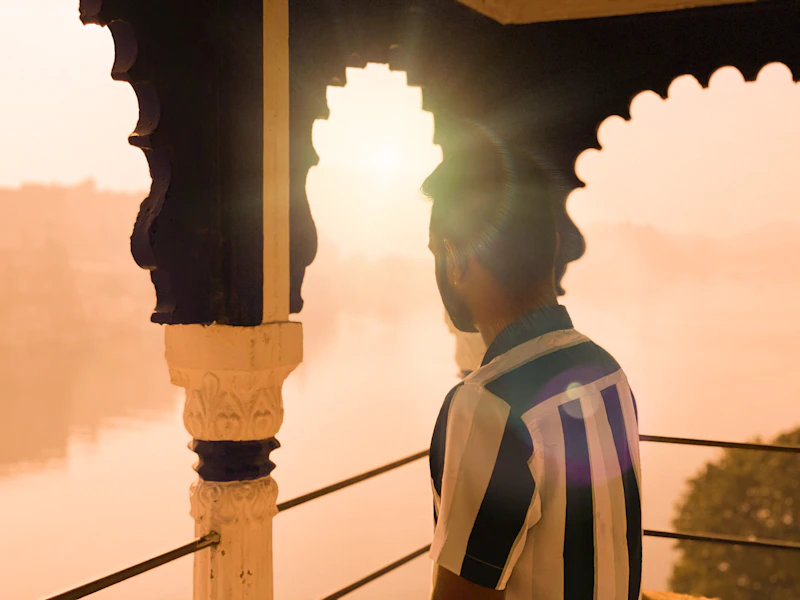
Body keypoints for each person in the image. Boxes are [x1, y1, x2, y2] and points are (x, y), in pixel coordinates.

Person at [422, 124, 642, 600]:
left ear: (457, 259)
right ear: (552, 248)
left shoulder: (488, 405)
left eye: (436, 253)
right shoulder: (607, 372)